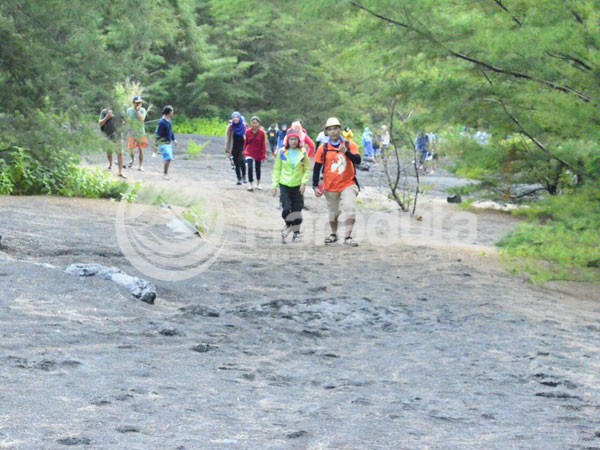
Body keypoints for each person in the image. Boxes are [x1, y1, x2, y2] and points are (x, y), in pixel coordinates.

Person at [312, 117, 362, 247]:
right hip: (330, 186)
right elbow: (317, 167)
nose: (333, 132)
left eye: (335, 128)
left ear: (340, 129)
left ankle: (348, 236)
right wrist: (315, 185)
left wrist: (347, 153)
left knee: (350, 208)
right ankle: (333, 234)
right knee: (333, 214)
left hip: (348, 183)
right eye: (330, 129)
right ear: (326, 132)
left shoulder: (349, 145)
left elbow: (358, 160)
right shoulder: (323, 148)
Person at [272, 127, 311, 243]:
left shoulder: (303, 153)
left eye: (295, 139)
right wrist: (274, 185)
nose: (293, 141)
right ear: (287, 141)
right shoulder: (282, 152)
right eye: (291, 139)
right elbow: (277, 169)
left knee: (297, 210)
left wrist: (304, 183)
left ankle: (296, 233)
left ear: (299, 141)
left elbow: (307, 169)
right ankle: (288, 224)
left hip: (298, 185)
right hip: (284, 184)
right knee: (286, 209)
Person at [98, 105, 125, 178]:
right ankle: (110, 165)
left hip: (118, 137)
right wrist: (107, 117)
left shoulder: (120, 112)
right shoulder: (104, 111)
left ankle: (120, 172)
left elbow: (126, 122)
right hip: (108, 136)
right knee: (109, 152)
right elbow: (100, 123)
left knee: (120, 154)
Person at [243, 116, 267, 191]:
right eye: (253, 123)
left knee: (258, 168)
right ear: (251, 124)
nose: (254, 124)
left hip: (258, 152)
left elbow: (263, 144)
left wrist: (264, 154)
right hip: (249, 151)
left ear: (259, 124)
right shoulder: (248, 132)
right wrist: (244, 151)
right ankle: (250, 184)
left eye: (256, 123)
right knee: (249, 167)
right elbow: (246, 142)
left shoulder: (262, 133)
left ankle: (258, 183)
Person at [126, 96, 148, 171]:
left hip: (140, 133)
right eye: (137, 103)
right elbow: (126, 120)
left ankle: (140, 166)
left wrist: (137, 111)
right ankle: (132, 159)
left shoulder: (142, 110)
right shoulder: (129, 110)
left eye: (140, 103)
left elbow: (142, 119)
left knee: (140, 149)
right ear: (133, 103)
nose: (138, 104)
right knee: (130, 149)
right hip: (131, 133)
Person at [155, 105, 177, 180]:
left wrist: (174, 139)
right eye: (172, 111)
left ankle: (166, 173)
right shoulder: (162, 122)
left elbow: (171, 131)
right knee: (168, 158)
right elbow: (158, 133)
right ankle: (165, 174)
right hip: (163, 143)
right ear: (169, 112)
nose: (173, 113)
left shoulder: (169, 120)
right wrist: (156, 144)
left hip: (168, 142)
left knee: (168, 159)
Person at [225, 111, 247, 185]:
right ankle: (239, 178)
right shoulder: (230, 127)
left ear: (240, 118)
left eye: (237, 117)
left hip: (242, 146)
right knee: (236, 163)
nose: (235, 118)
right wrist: (227, 151)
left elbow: (248, 136)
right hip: (233, 147)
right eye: (234, 117)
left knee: (242, 161)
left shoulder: (243, 126)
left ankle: (244, 175)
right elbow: (227, 139)